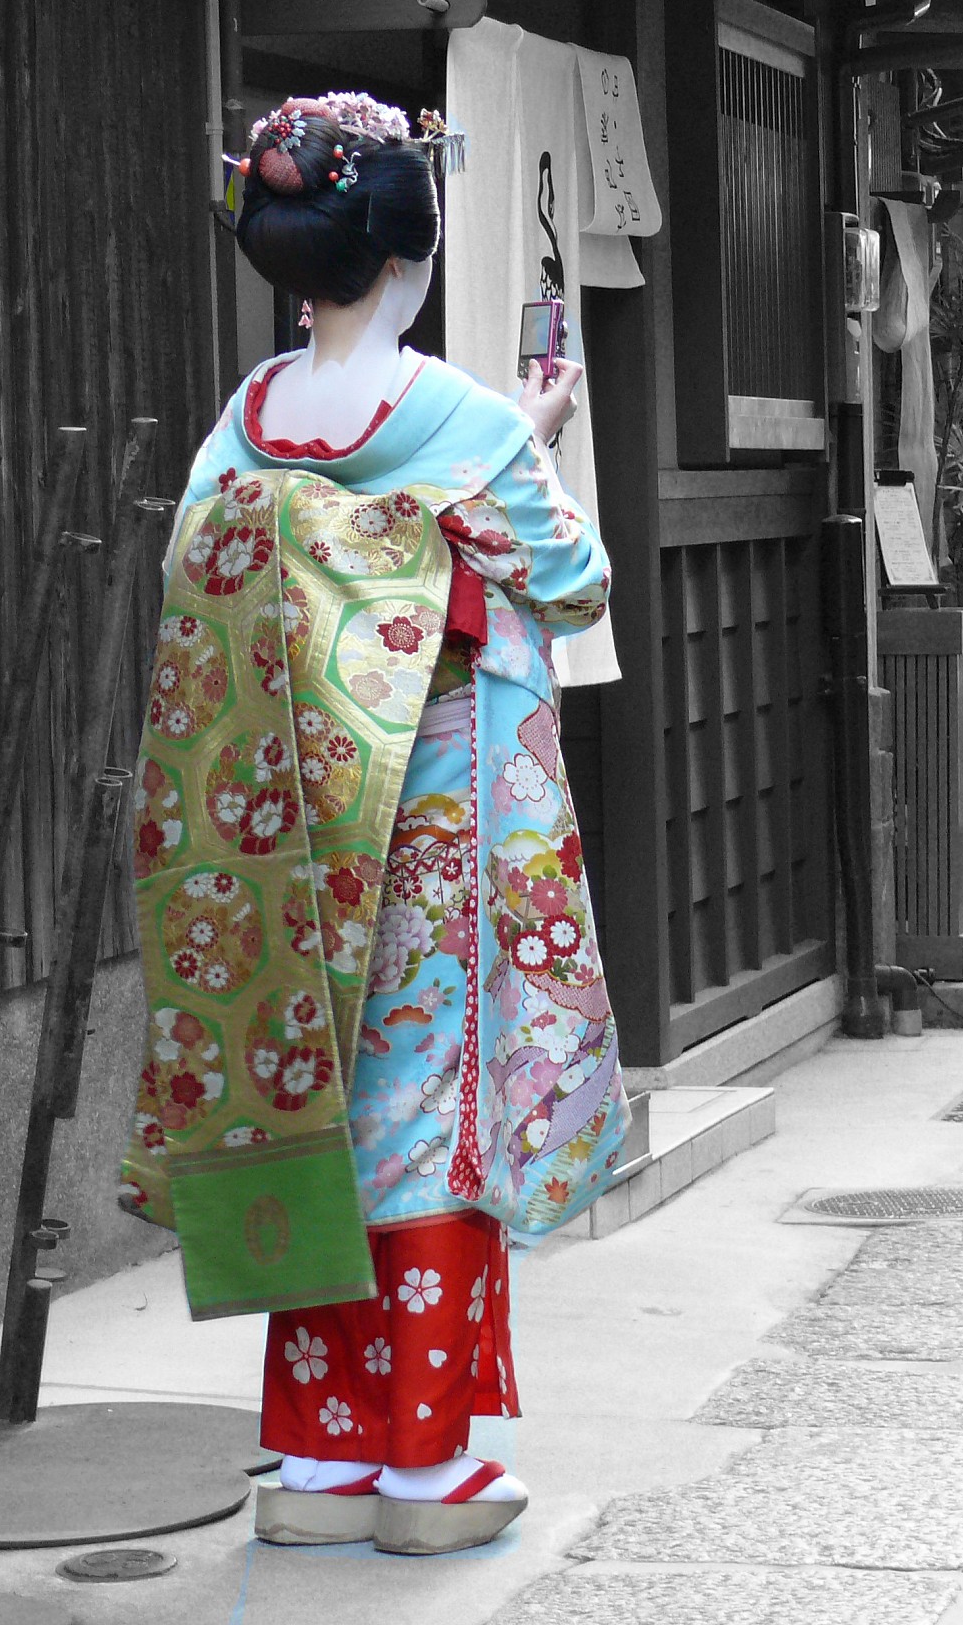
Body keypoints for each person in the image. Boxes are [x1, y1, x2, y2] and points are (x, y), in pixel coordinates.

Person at [117, 92, 628, 1551]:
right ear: (411, 253)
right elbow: (576, 578)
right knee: (429, 1117)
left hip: (280, 811)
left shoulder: (249, 416)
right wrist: (520, 447)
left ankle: (324, 1461)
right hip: (432, 800)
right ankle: (423, 1468)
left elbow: (194, 574)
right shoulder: (458, 415)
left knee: (306, 1092)